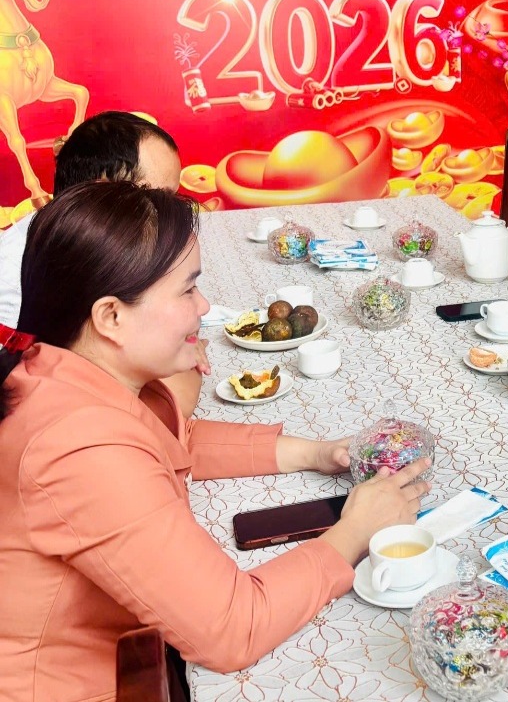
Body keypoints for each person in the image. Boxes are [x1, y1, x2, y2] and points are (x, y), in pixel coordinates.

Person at [0, 181, 430, 702]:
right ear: (111, 316)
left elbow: (169, 440)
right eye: (187, 290)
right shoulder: (80, 448)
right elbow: (231, 628)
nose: (203, 306)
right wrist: (357, 530)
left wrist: (315, 454)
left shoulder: (58, 373)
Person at [0, 111, 207, 415]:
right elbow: (149, 414)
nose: (170, 213)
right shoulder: (25, 270)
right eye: (159, 197)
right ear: (105, 189)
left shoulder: (87, 240)